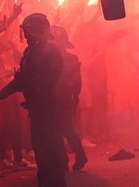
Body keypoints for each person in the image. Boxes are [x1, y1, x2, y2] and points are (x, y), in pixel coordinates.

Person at [0, 13, 67, 187]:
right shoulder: (31, 52)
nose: (29, 35)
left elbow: (43, 81)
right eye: (27, 30)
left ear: (43, 31)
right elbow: (23, 79)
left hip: (47, 108)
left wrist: (33, 96)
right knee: (42, 151)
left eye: (33, 30)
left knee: (49, 150)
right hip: (38, 108)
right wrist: (4, 92)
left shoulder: (49, 52)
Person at [52, 25, 88, 171]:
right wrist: (75, 98)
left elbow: (76, 80)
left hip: (58, 98)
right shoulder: (72, 58)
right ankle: (71, 157)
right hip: (66, 98)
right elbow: (77, 82)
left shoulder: (51, 59)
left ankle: (68, 158)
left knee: (59, 129)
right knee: (65, 128)